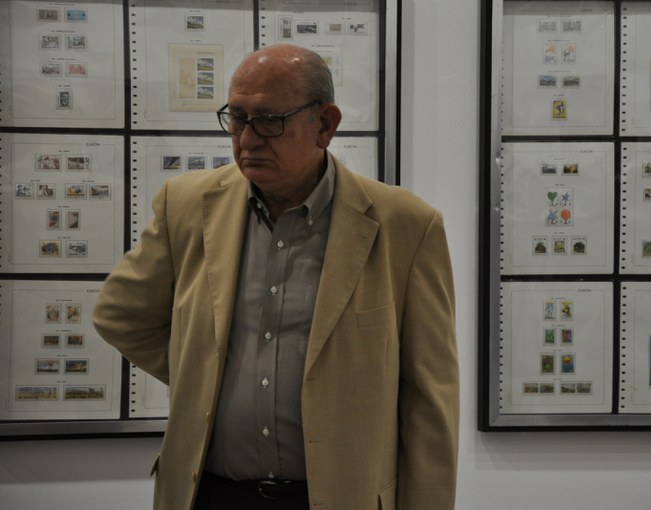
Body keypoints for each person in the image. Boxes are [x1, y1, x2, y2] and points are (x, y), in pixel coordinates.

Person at [92, 44, 459, 510]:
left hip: (341, 498)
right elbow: (120, 315)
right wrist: (205, 374)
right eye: (237, 118)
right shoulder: (186, 205)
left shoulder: (405, 225)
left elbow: (430, 398)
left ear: (324, 125)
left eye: (268, 120)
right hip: (210, 494)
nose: (247, 140)